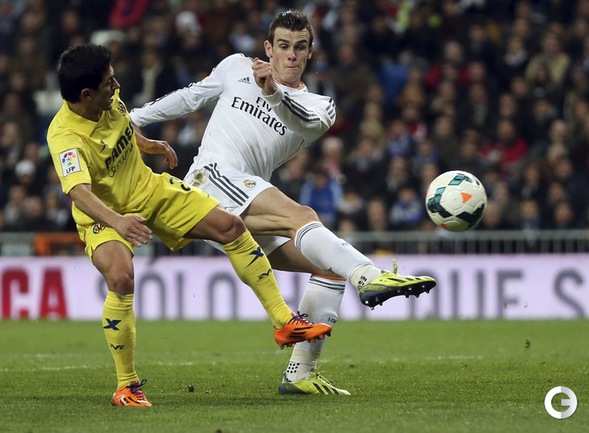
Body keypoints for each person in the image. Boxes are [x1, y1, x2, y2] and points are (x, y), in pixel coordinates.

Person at [131, 10, 436, 396]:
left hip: (245, 198)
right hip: (211, 179)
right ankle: (369, 276)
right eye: (284, 46)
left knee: (329, 268)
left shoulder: (320, 106)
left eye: (300, 47)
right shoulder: (236, 67)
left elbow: (300, 122)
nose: (291, 54)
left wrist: (273, 92)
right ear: (268, 48)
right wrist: (135, 118)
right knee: (303, 215)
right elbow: (191, 96)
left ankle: (300, 373)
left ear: (310, 52)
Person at [46, 43, 333, 407]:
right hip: (105, 214)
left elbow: (121, 125)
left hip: (150, 190)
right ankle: (127, 386)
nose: (116, 86)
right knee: (120, 278)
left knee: (230, 227)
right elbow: (79, 193)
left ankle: (283, 321)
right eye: (108, 83)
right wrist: (118, 221)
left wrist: (148, 144)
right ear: (86, 94)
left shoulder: (107, 100)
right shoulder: (65, 138)